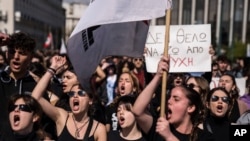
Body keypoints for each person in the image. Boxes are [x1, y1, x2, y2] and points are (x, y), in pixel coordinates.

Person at [132, 56, 214, 141]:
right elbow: (137, 111)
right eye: (169, 97)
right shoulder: (160, 128)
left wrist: (169, 136)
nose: (169, 101)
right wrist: (158, 76)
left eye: (176, 99)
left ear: (190, 108)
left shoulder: (204, 137)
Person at [32, 55, 107, 141]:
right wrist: (52, 69)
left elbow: (101, 76)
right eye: (71, 94)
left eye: (80, 93)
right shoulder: (62, 117)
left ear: (90, 100)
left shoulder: (99, 128)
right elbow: (35, 97)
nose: (75, 96)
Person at [0, 32, 49, 141]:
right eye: (12, 52)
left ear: (31, 57)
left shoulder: (36, 86)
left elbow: (45, 122)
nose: (16, 57)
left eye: (22, 53)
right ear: (7, 53)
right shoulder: (1, 79)